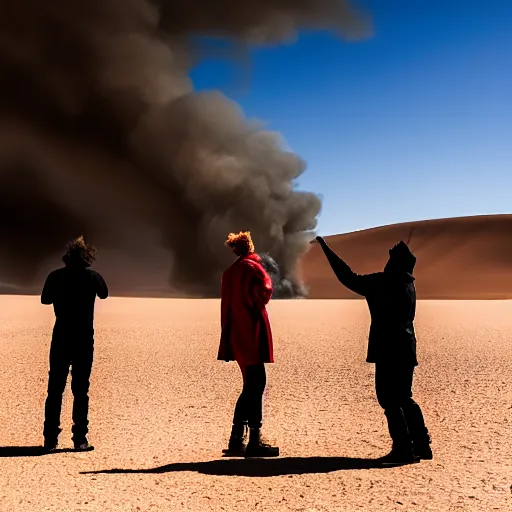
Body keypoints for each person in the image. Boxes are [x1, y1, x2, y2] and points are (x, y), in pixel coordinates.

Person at [315, 236, 432, 463]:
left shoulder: (385, 282)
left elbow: (348, 277)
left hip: (390, 347)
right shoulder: (408, 283)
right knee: (404, 397)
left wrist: (326, 249)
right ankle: (421, 445)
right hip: (407, 347)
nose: (386, 262)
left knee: (389, 398)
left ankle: (403, 448)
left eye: (390, 259)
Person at [41, 236, 108, 452]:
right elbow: (104, 293)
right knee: (81, 390)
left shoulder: (55, 276)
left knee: (55, 389)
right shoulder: (93, 277)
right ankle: (80, 439)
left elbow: (45, 299)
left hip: (60, 337)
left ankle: (50, 439)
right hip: (83, 340)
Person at [218, 231, 279, 457]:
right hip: (251, 332)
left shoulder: (229, 272)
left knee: (250, 385)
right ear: (249, 246)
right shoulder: (252, 268)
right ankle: (254, 440)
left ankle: (236, 439)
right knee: (257, 384)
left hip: (236, 333)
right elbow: (264, 292)